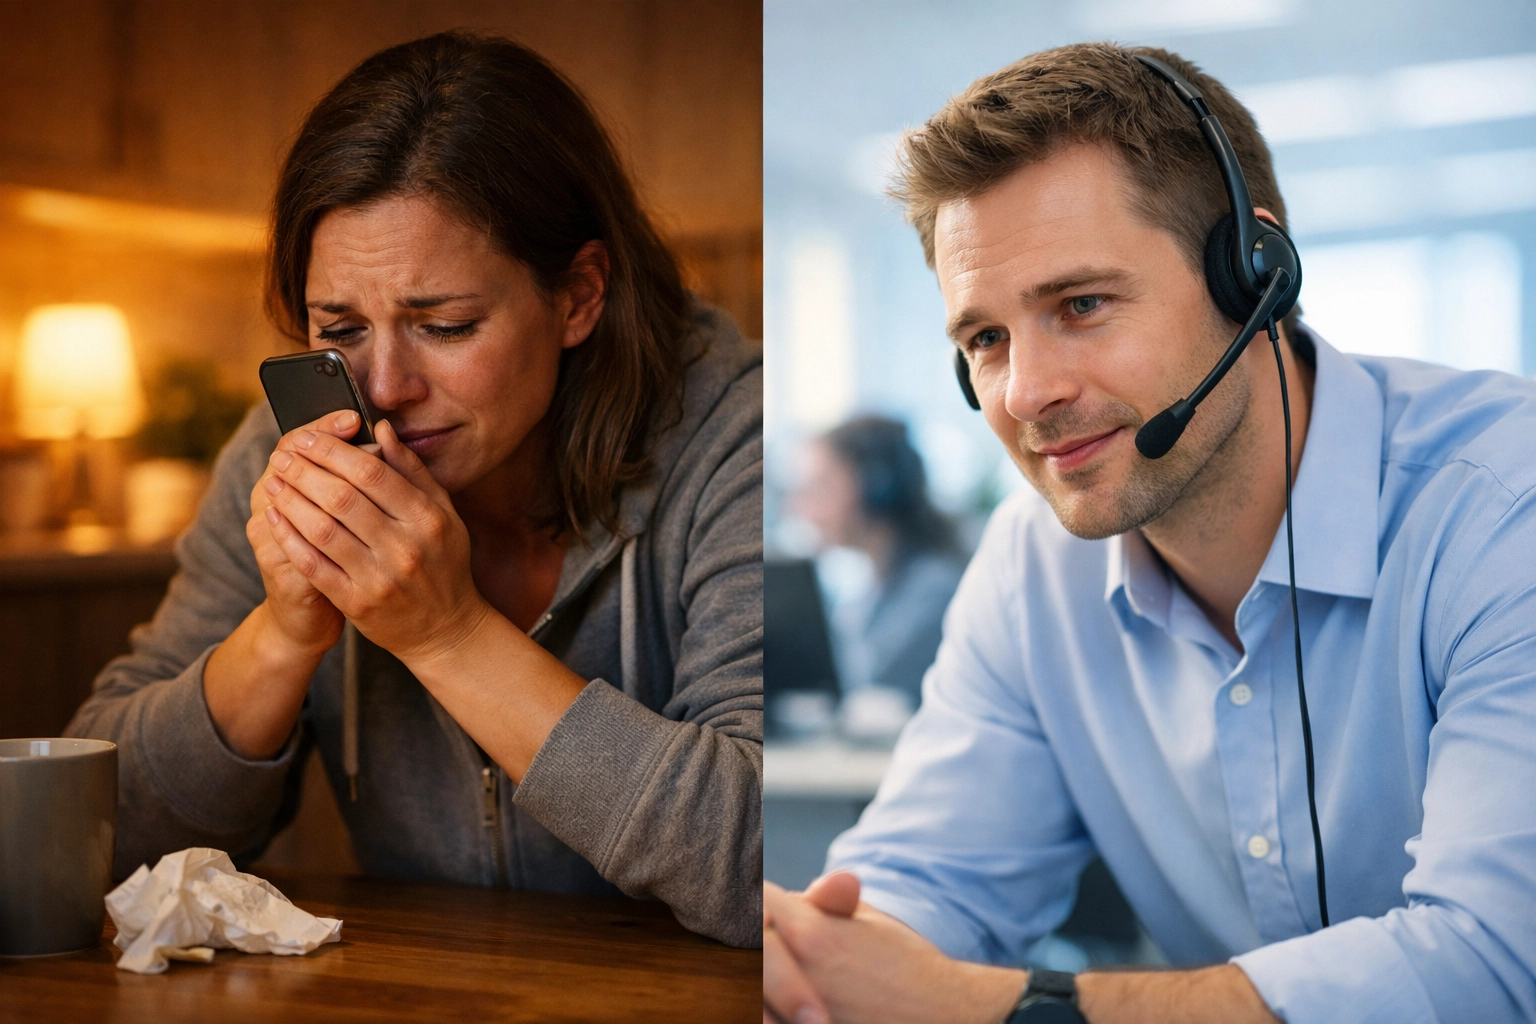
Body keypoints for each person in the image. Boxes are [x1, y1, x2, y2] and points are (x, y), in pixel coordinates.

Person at [764, 42, 1536, 1023]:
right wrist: (816, 960)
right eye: (986, 339)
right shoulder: (1030, 570)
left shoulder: (1506, 505)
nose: (1026, 392)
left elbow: (1499, 965)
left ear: (1253, 275)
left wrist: (1010, 1008)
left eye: (1080, 305)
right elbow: (933, 881)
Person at [67, 32, 762, 948]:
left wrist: (448, 634)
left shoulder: (739, 435)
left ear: (579, 296)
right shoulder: (291, 460)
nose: (384, 387)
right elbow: (89, 834)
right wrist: (280, 638)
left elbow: (765, 861)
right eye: (339, 327)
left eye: (444, 325)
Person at [791, 416, 964, 707]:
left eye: (821, 486)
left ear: (878, 484)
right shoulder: (867, 591)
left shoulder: (935, 589)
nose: (801, 507)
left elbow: (856, 688)